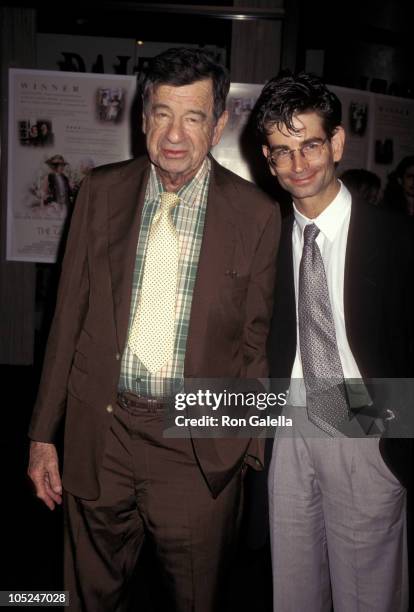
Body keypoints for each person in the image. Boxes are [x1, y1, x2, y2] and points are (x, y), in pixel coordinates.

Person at [27, 47, 280, 611]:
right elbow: (64, 319)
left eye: (193, 117)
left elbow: (254, 344)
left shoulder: (257, 215)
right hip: (102, 436)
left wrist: (245, 454)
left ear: (217, 125)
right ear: (143, 118)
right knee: (83, 599)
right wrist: (44, 435)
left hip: (195, 450)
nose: (174, 133)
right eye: (161, 113)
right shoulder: (100, 192)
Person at [255, 71, 412, 611]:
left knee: (368, 595)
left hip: (368, 421)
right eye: (282, 152)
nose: (298, 166)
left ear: (338, 142)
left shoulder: (397, 238)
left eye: (311, 145)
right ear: (267, 158)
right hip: (290, 424)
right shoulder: (264, 240)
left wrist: (394, 442)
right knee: (292, 590)